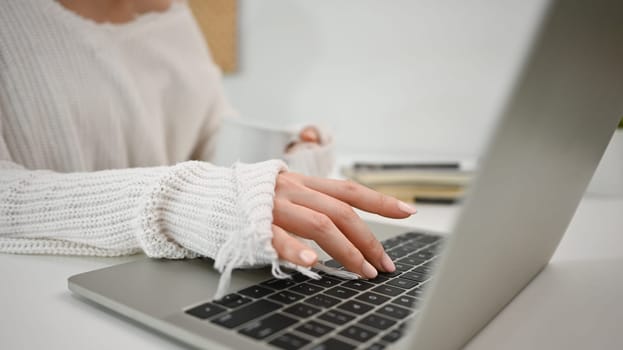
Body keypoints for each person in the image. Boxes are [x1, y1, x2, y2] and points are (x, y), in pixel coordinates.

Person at [0, 0, 417, 296]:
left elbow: (208, 137)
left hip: (165, 272)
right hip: (46, 289)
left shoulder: (175, 15)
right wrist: (180, 201)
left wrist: (277, 151)